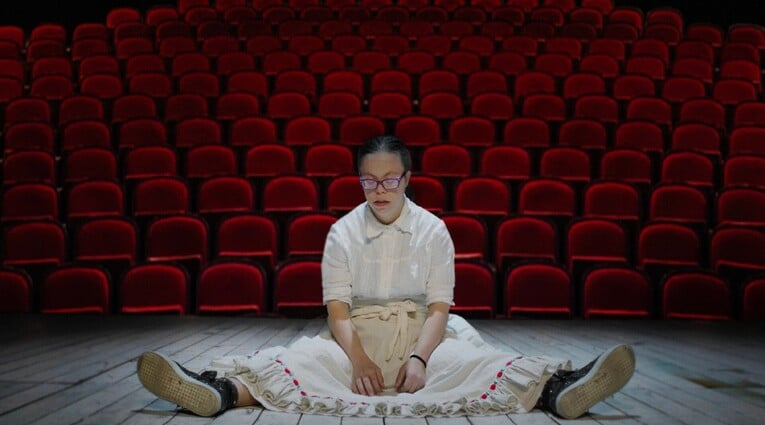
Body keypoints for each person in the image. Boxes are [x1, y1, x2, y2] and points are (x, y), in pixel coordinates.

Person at [136, 135, 635, 419]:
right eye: (369, 180)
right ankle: (220, 391)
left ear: (408, 179)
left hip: (424, 333)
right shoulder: (341, 231)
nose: (379, 189)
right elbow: (337, 310)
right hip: (357, 332)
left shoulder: (434, 230)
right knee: (304, 362)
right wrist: (358, 360)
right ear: (360, 180)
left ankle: (558, 389)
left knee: (471, 362)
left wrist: (419, 358)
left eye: (390, 179)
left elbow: (440, 308)